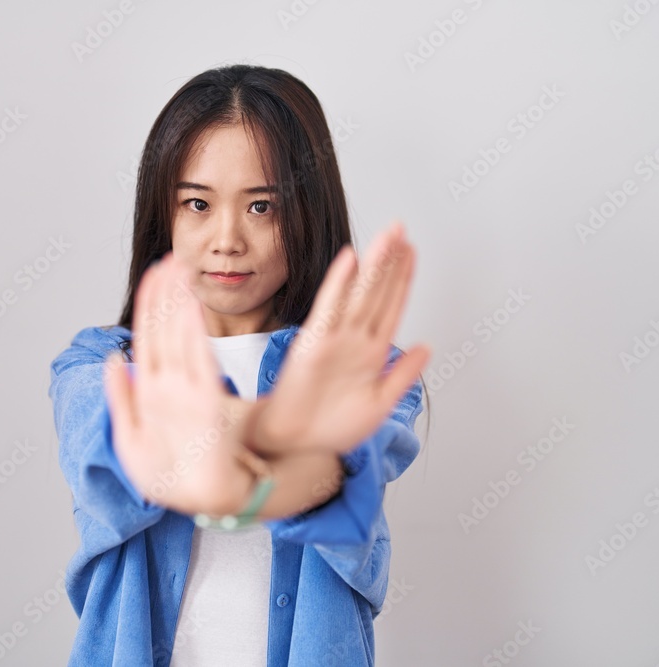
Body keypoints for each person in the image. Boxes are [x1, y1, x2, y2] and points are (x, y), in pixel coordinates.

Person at [48, 63, 431, 667]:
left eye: (261, 207)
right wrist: (205, 450)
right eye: (198, 203)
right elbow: (104, 458)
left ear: (307, 212)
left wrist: (280, 463)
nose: (227, 238)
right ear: (164, 216)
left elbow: (347, 483)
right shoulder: (99, 363)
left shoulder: (366, 372)